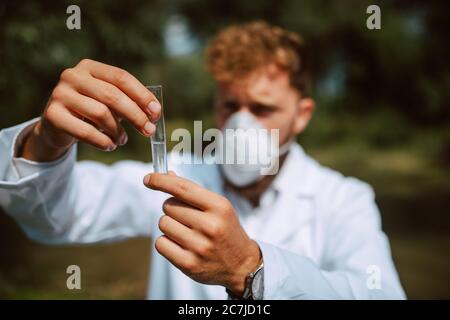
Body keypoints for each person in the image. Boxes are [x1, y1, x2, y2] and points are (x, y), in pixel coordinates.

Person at [0, 21, 405, 299]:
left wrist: (253, 270)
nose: (242, 123)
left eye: (262, 109)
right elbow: (54, 216)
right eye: (230, 105)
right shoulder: (175, 174)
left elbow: (379, 294)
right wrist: (45, 145)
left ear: (302, 114)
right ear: (215, 105)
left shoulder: (343, 199)